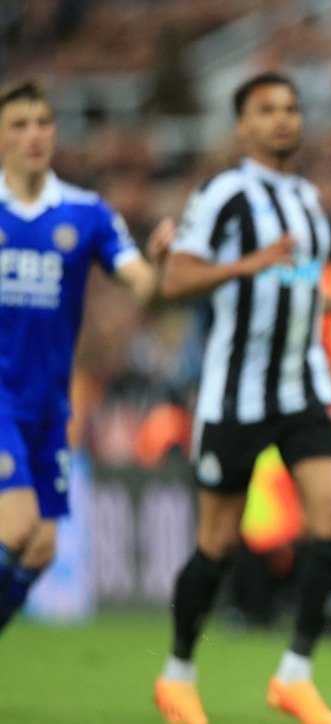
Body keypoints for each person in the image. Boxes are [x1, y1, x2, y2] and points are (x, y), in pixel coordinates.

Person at [152, 71, 331, 724]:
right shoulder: (223, 193)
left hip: (304, 384)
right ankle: (178, 674)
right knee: (216, 544)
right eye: (267, 110)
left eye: (291, 108)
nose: (283, 119)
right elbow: (177, 276)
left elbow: (296, 276)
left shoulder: (305, 197)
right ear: (242, 125)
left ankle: (295, 675)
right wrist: (246, 265)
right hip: (234, 393)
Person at [0, 80, 173, 635]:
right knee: (17, 527)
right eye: (20, 124)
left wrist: (160, 265)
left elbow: (144, 289)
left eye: (44, 123)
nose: (35, 134)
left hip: (48, 401)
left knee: (41, 550)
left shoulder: (87, 213)